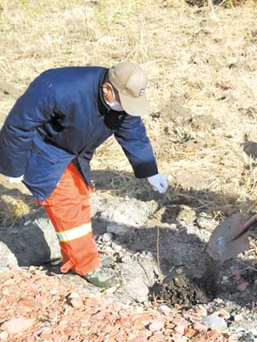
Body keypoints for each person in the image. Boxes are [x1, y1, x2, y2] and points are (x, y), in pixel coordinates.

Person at [0, 62, 168, 288]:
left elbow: (133, 134)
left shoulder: (122, 101)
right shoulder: (58, 89)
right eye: (124, 103)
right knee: (66, 203)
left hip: (74, 153)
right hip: (40, 150)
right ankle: (85, 265)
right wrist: (12, 165)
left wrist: (149, 170)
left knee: (80, 197)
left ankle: (73, 254)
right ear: (107, 89)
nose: (127, 110)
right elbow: (18, 126)